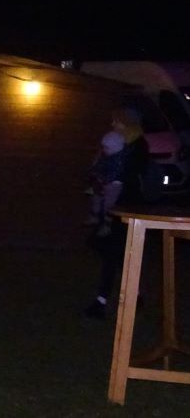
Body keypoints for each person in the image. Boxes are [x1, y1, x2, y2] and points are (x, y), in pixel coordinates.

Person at [84, 108, 150, 319]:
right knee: (114, 252)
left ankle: (101, 301)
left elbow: (127, 177)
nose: (113, 125)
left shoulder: (136, 148)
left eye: (117, 121)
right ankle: (134, 293)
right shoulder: (122, 144)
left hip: (127, 208)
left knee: (112, 252)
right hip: (116, 207)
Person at [84, 131, 126, 229]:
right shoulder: (106, 155)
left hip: (114, 184)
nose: (104, 149)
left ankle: (107, 225)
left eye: (106, 148)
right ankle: (95, 216)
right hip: (101, 181)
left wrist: (103, 179)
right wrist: (93, 172)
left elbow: (116, 173)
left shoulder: (119, 160)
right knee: (96, 198)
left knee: (109, 204)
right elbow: (99, 165)